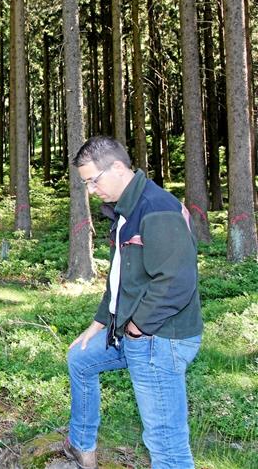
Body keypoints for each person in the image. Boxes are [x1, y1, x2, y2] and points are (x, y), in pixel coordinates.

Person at [64, 136, 203, 469]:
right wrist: (99, 324)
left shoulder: (156, 209)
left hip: (159, 339)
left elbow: (176, 282)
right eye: (86, 184)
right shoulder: (128, 209)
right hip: (134, 333)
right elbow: (121, 279)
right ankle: (82, 448)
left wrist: (138, 328)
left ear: (116, 167)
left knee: (165, 443)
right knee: (80, 359)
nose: (91, 190)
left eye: (92, 181)